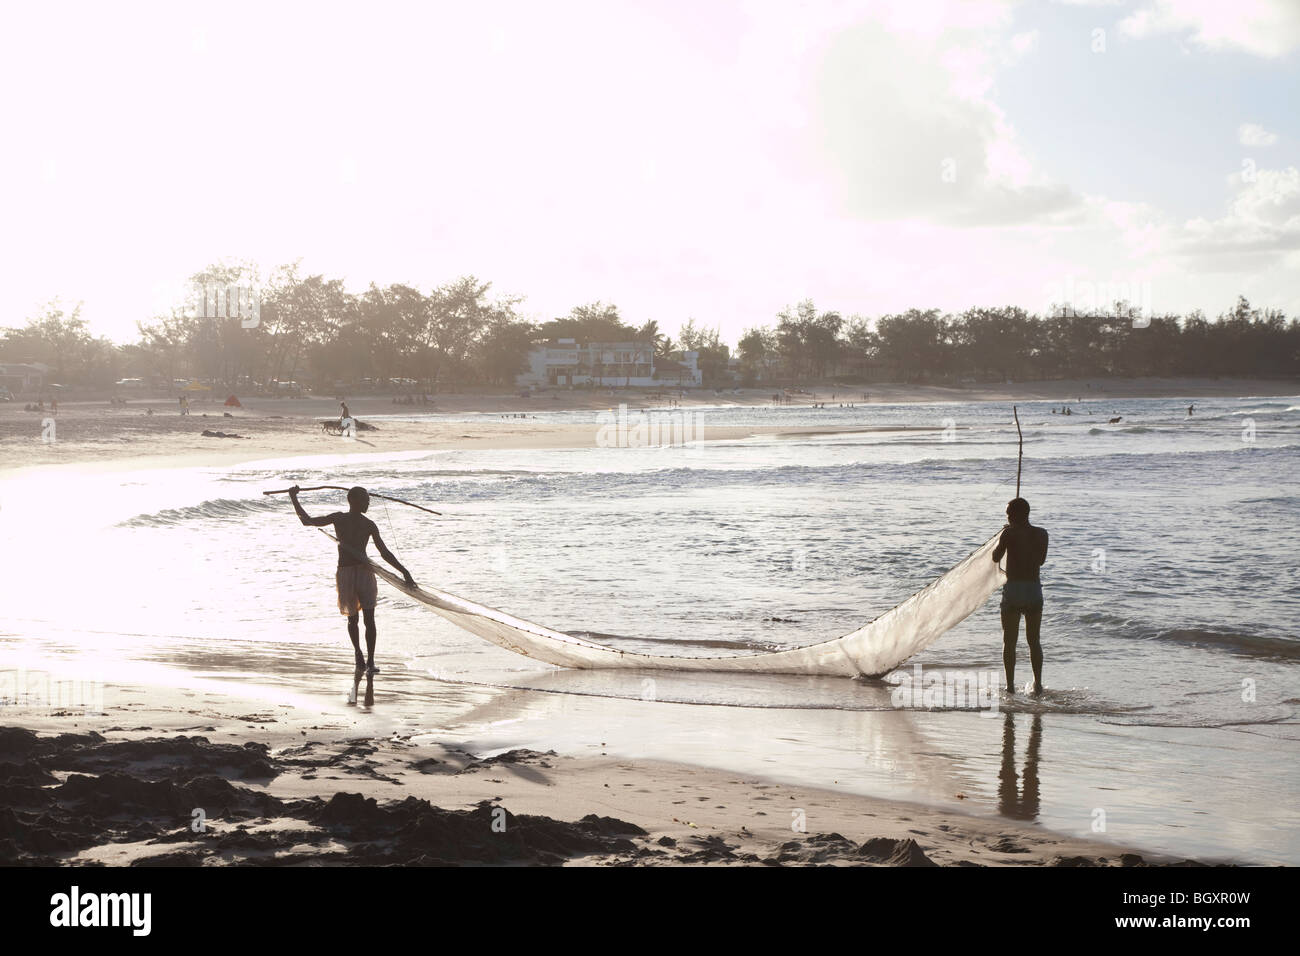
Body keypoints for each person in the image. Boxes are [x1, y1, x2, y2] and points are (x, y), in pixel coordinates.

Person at [288, 485, 415, 676]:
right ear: (353, 501)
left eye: (368, 500)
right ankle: (358, 654)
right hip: (345, 572)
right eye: (365, 500)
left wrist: (404, 571)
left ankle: (371, 660)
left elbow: (384, 553)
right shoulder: (339, 518)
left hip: (365, 572)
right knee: (352, 618)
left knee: (369, 619)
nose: (368, 503)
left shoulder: (369, 524)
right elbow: (307, 521)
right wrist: (293, 498)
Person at [992, 497, 1048, 694]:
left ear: (1015, 515)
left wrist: (1006, 536)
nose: (1007, 516)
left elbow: (995, 557)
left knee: (1009, 642)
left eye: (1009, 513)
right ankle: (1038, 684)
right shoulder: (1042, 534)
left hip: (1013, 591)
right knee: (1034, 641)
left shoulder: (1008, 533)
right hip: (1033, 591)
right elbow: (1040, 560)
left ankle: (1009, 686)